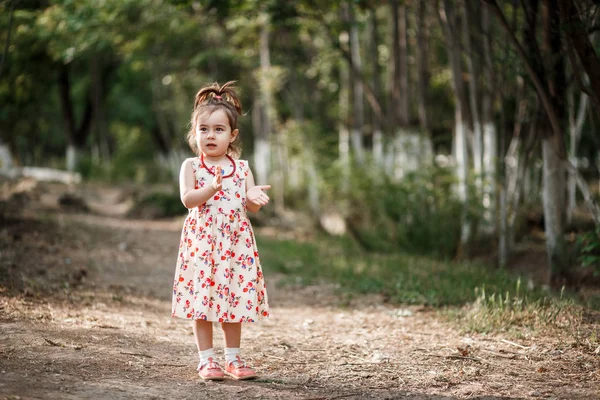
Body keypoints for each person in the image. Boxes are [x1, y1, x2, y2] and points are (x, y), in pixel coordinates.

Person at [171, 81, 270, 381]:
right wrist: (210, 188)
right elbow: (188, 200)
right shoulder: (191, 166)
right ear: (194, 133)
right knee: (202, 302)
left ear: (232, 135)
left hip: (235, 246)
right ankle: (206, 360)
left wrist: (253, 199)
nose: (210, 135)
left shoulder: (241, 169)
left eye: (218, 129)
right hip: (202, 244)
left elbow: (250, 204)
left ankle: (233, 358)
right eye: (204, 129)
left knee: (234, 301)